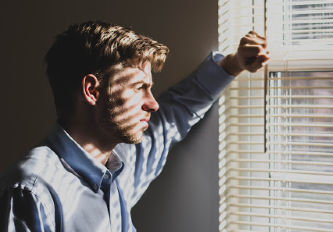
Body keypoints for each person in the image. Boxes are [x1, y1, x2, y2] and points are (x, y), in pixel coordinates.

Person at [0, 21, 269, 231]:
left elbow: (172, 116)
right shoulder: (32, 191)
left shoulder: (119, 165)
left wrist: (232, 64)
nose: (152, 104)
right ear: (92, 90)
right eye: (140, 88)